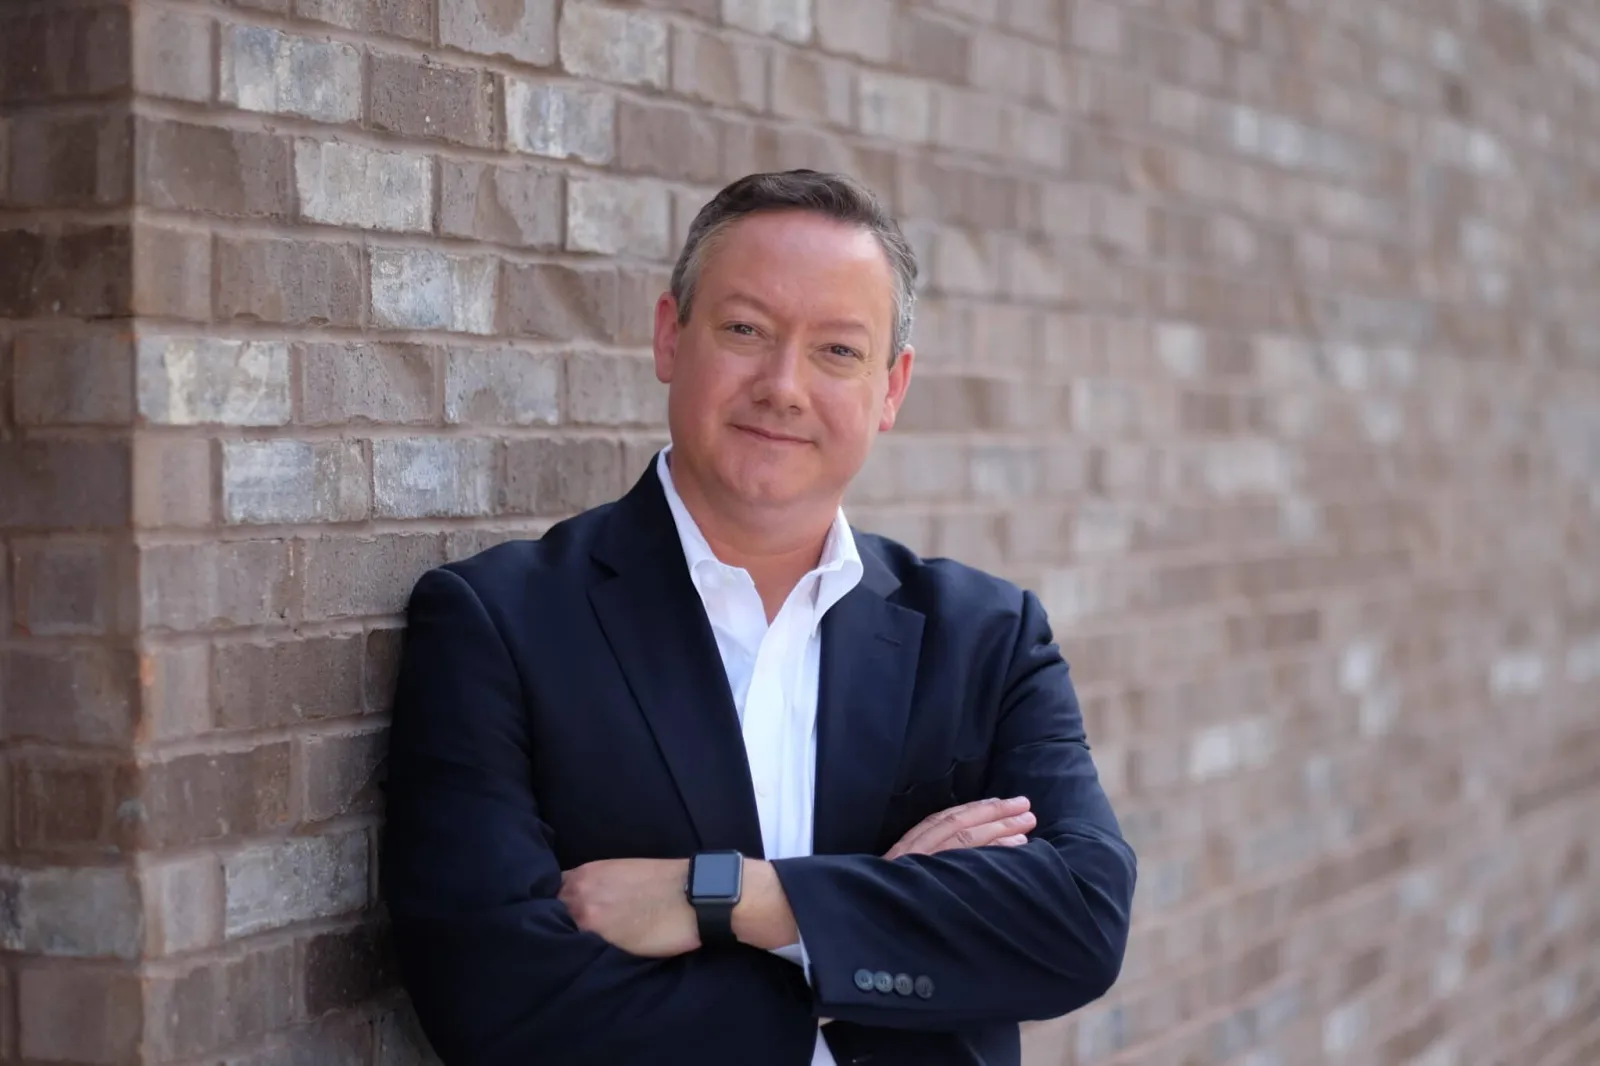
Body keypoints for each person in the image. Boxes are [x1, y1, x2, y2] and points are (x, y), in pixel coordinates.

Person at [379, 170, 1136, 1066]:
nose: (783, 386)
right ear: (671, 336)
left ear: (891, 388)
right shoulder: (500, 624)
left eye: (837, 352)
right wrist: (875, 937)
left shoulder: (987, 638)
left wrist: (740, 899)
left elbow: (1080, 923)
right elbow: (491, 994)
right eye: (746, 330)